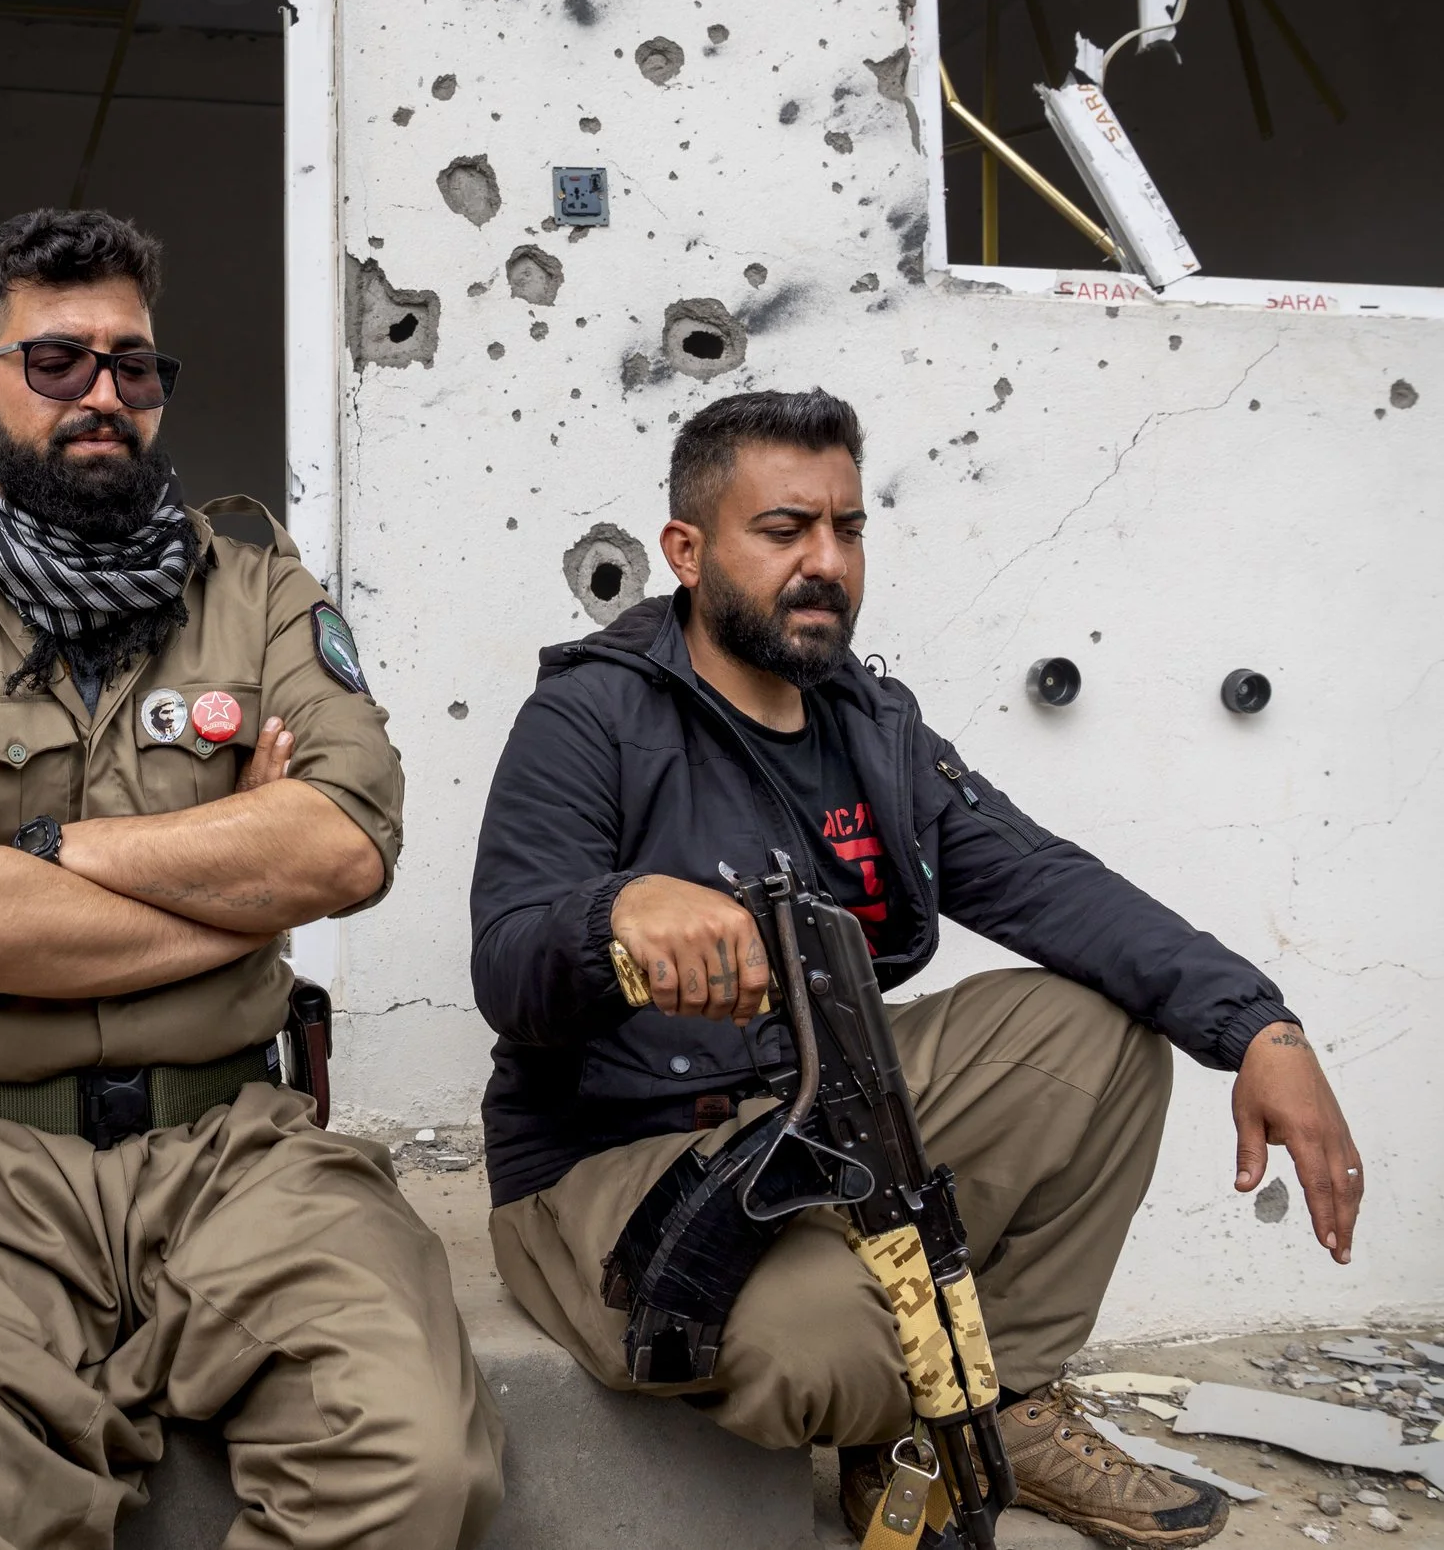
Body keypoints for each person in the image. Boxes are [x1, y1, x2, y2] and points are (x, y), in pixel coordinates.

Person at [469, 389, 1362, 1549]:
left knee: (1095, 1034)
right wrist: (614, 915)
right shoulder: (587, 715)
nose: (825, 562)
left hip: (811, 1109)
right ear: (687, 552)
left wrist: (1259, 1028)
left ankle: (1006, 1399)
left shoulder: (870, 726)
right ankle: (903, 1428)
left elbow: (1050, 884)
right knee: (851, 1342)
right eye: (784, 529)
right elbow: (507, 958)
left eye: (847, 529)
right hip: (612, 1154)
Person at [0, 207, 504, 1550]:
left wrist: (41, 864)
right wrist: (241, 877)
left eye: (135, 365)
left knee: (416, 1464)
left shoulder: (260, 588)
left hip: (233, 1145)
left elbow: (350, 841)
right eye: (57, 362)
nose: (105, 396)